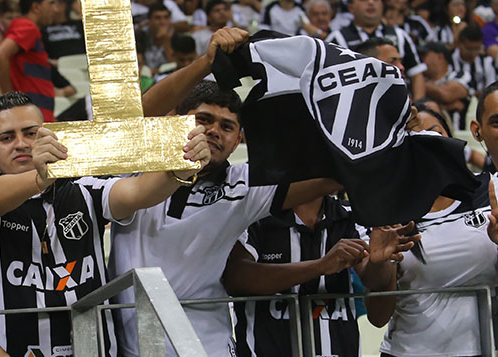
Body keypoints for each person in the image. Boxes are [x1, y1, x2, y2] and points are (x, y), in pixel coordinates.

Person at [110, 28, 345, 357]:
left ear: (238, 142)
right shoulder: (137, 169)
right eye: (204, 119)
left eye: (227, 126)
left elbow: (332, 179)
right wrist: (206, 63)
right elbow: (127, 123)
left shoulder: (245, 184)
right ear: (176, 122)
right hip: (134, 348)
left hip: (209, 348)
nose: (213, 131)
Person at [0, 91, 211, 356]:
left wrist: (179, 171)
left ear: (49, 135)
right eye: (7, 137)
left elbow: (138, 192)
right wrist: (40, 178)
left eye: (31, 133)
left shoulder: (85, 189)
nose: (21, 143)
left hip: (95, 349)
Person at [366, 97, 498, 357]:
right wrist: (379, 265)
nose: (426, 143)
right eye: (415, 136)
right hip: (408, 352)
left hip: (486, 349)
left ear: (451, 141)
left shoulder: (491, 191)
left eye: (434, 134)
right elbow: (378, 318)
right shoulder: (388, 212)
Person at [223, 195, 416, 357]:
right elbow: (237, 279)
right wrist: (320, 266)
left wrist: (380, 261)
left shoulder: (352, 215)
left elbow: (377, 295)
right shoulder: (256, 213)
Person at [326, 0, 426, 99]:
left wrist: (418, 106)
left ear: (382, 5)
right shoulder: (337, 38)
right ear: (351, 8)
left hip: (399, 101)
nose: (371, 2)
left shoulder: (399, 35)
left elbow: (416, 74)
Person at [0, 0, 56, 121]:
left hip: (35, 114)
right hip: (33, 115)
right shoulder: (28, 26)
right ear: (36, 7)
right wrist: (10, 100)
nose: (55, 9)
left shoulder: (24, 26)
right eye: (51, 3)